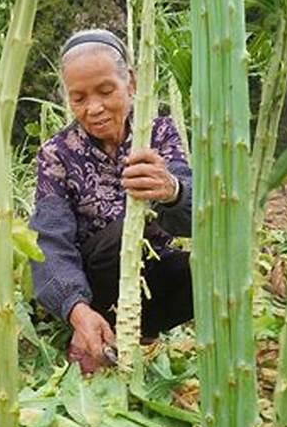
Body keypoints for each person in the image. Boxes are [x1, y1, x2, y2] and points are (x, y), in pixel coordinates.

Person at [29, 29, 194, 373]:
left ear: (130, 83)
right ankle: (91, 328)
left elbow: (197, 216)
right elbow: (50, 242)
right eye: (79, 98)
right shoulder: (56, 154)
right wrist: (77, 308)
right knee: (122, 237)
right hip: (93, 284)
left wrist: (172, 191)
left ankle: (141, 331)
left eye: (106, 91)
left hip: (150, 274)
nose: (94, 108)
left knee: (199, 271)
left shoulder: (158, 133)